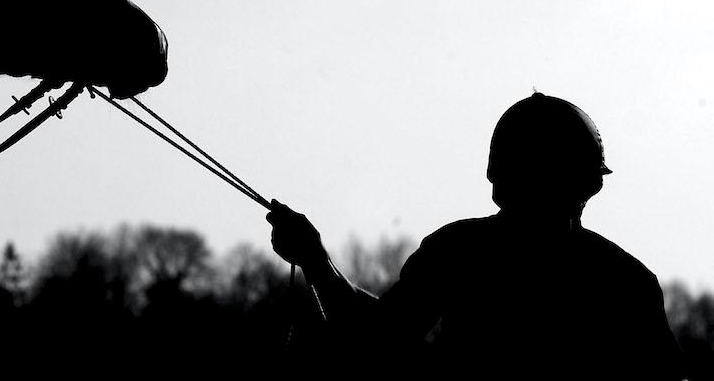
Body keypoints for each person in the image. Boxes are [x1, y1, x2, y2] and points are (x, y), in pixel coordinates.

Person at [267, 92, 684, 379]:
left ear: (497, 177)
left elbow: (375, 341)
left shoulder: (459, 253)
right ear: (591, 184)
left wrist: (316, 262)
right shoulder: (626, 280)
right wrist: (316, 261)